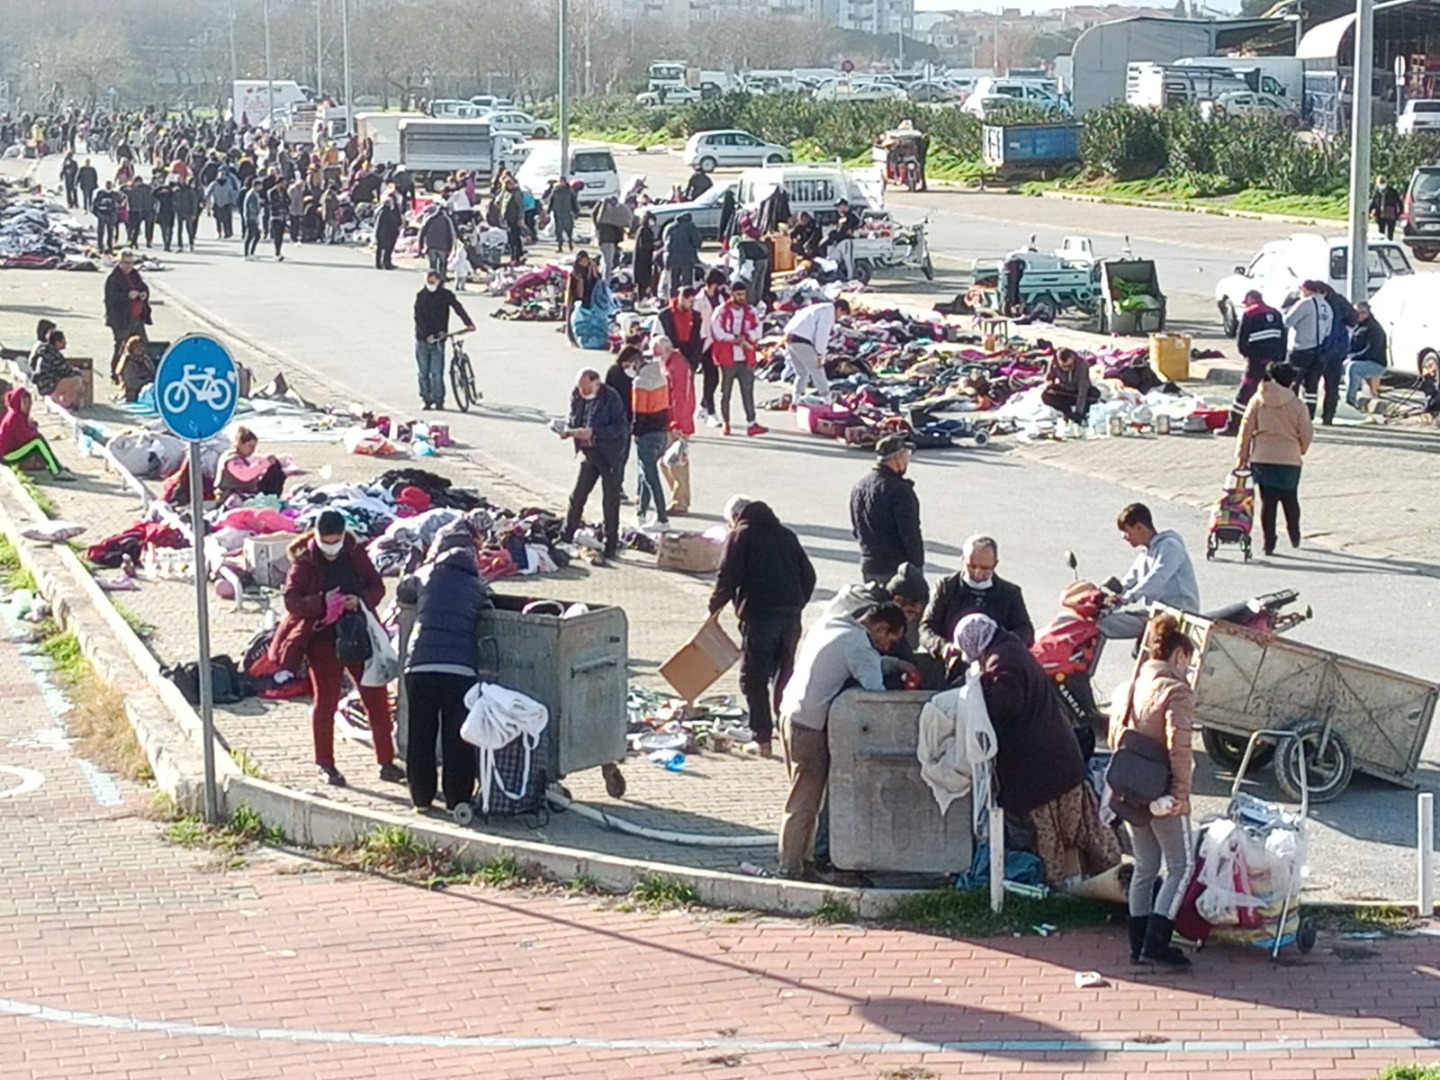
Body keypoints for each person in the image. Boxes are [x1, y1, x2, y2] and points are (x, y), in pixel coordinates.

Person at [957, 612, 1120, 890]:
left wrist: (980, 688)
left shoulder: (1001, 661)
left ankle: (1065, 890)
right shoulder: (1011, 648)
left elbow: (1006, 705)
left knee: (1052, 837)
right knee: (1088, 830)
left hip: (1038, 772)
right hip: (1059, 761)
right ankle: (1116, 881)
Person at [270, 510, 404, 788]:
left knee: (376, 698)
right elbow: (292, 601)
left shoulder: (355, 553)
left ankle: (386, 762)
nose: (331, 547)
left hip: (359, 634)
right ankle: (326, 764)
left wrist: (360, 599)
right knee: (326, 701)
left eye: (336, 541)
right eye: (326, 541)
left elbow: (376, 586)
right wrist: (322, 602)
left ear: (344, 536)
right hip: (322, 641)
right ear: (316, 536)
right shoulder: (305, 561)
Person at [777, 603, 911, 877]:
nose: (887, 647)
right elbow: (875, 693)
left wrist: (895, 663)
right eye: (889, 639)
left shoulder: (834, 623)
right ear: (880, 627)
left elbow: (859, 661)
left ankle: (803, 860)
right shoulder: (859, 646)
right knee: (805, 799)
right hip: (810, 727)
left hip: (789, 712)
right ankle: (791, 868)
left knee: (804, 794)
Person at [1111, 612, 1197, 968]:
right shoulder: (1177, 691)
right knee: (1182, 865)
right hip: (1162, 790)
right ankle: (1158, 943)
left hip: (1132, 787)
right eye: (1188, 664)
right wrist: (1181, 795)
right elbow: (1180, 746)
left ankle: (1137, 943)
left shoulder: (1134, 682)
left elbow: (1117, 732)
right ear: (1178, 656)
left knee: (1146, 867)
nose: (1188, 671)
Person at [710, 495, 818, 759]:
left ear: (735, 517)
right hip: (790, 616)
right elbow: (810, 575)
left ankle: (762, 739)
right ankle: (786, 731)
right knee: (785, 674)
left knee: (753, 678)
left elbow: (727, 576)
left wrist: (713, 607)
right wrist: (796, 603)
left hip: (760, 616)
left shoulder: (741, 535)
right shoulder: (786, 535)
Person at [396, 520, 491, 812]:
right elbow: (488, 608)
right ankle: (458, 800)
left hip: (420, 664)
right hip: (460, 669)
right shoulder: (477, 585)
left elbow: (403, 592)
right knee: (457, 736)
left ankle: (421, 799)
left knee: (421, 734)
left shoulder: (426, 574)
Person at [921, 535, 1034, 672]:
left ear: (995, 564)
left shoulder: (1010, 593)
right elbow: (926, 629)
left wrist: (1001, 648)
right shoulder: (946, 588)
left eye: (985, 568)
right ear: (962, 560)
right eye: (971, 566)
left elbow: (1026, 631)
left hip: (995, 670)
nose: (978, 573)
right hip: (951, 668)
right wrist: (943, 647)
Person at [1236, 361, 1313, 556]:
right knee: (1290, 499)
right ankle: (1294, 533)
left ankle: (1268, 541)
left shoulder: (1258, 399)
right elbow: (1306, 432)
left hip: (1262, 458)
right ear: (1290, 383)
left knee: (1267, 502)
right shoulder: (1297, 404)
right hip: (1289, 459)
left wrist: (1242, 455)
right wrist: (1300, 450)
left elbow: (1246, 429)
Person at [1100, 503, 1201, 639]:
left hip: (1178, 614)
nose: (1125, 537)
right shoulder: (1145, 555)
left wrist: (1127, 598)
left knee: (1109, 625)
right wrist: (1108, 599)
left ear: (1139, 527)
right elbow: (1128, 583)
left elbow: (1157, 577)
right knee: (1103, 621)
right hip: (1157, 612)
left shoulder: (1170, 546)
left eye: (1127, 531)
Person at [560, 368, 629, 560]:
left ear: (596, 383)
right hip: (589, 452)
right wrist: (569, 431)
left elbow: (620, 428)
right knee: (578, 495)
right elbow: (574, 416)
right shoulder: (577, 394)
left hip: (610, 453)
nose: (581, 391)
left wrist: (594, 432)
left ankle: (611, 543)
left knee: (610, 500)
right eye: (579, 388)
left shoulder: (611, 398)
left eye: (585, 387)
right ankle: (566, 535)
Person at [849, 434, 923, 581]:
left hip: (869, 565)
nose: (908, 459)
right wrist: (917, 566)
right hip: (896, 570)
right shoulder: (900, 490)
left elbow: (856, 529)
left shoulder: (859, 486)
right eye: (906, 454)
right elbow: (910, 533)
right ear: (898, 457)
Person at [1224, 289, 1285, 435]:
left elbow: (1242, 339)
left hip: (1256, 360)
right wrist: (1280, 358)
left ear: (1251, 299)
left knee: (1245, 392)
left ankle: (1234, 425)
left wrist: (1247, 355)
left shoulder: (1250, 313)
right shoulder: (1275, 313)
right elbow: (1283, 337)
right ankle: (1274, 426)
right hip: (1273, 361)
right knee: (1272, 393)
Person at [413, 269, 475, 411]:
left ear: (439, 281)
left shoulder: (445, 296)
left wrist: (468, 323)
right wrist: (426, 335)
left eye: (434, 281)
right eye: (429, 281)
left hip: (439, 338)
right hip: (423, 339)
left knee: (437, 372)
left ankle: (439, 400)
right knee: (423, 372)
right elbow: (418, 318)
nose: (431, 284)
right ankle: (426, 399)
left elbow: (458, 308)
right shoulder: (421, 296)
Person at [710, 279, 765, 437]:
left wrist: (746, 337)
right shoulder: (721, 311)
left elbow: (758, 330)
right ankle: (726, 423)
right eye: (738, 294)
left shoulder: (751, 311)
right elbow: (717, 331)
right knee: (725, 392)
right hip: (727, 358)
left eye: (743, 295)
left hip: (746, 358)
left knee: (748, 391)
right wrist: (735, 339)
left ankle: (751, 423)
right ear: (732, 294)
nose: (741, 297)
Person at [631, 342, 671, 530]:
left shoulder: (641, 382)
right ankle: (641, 513)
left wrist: (636, 433)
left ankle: (662, 517)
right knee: (645, 473)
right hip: (661, 431)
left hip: (646, 434)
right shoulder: (662, 379)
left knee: (649, 475)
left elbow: (639, 413)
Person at [657, 334, 695, 515]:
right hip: (671, 419)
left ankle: (680, 501)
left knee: (675, 462)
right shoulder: (671, 363)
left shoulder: (677, 366)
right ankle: (679, 497)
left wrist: (677, 423)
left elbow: (681, 397)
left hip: (677, 422)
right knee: (667, 462)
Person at [783, 298, 848, 404]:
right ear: (839, 309)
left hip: (790, 337)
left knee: (802, 373)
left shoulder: (818, 307)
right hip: (802, 340)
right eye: (841, 314)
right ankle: (827, 400)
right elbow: (821, 334)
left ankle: (796, 401)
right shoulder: (828, 313)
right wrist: (820, 354)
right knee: (817, 370)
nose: (839, 318)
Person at [1283, 280, 1331, 419]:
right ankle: (1309, 415)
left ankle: (1290, 415)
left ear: (1306, 290)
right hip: (1318, 350)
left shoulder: (1305, 303)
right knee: (1312, 386)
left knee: (1293, 383)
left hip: (1300, 349)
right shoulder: (1327, 306)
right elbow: (1327, 331)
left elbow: (1287, 321)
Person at [0, 388, 70, 478]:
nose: (28, 406)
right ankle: (56, 471)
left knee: (38, 440)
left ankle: (56, 465)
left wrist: (31, 427)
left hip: (12, 451)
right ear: (17, 402)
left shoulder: (19, 415)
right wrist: (33, 429)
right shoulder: (15, 417)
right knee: (38, 442)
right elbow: (24, 438)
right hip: (7, 455)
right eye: (24, 403)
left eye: (29, 403)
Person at [103, 250, 151, 382]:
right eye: (126, 263)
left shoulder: (135, 275)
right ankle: (115, 374)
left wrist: (143, 294)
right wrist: (127, 296)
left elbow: (143, 287)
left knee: (143, 345)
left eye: (131, 263)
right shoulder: (113, 279)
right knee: (121, 346)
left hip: (137, 317)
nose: (129, 266)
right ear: (119, 262)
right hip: (121, 319)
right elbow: (111, 300)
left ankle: (142, 372)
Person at [1314, 282, 1356, 426]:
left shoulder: (1315, 302)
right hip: (1338, 349)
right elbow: (1353, 320)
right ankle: (1328, 417)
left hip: (1320, 348)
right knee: (1332, 386)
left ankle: (1308, 416)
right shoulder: (1340, 301)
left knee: (1311, 384)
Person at [692, 271, 727, 425]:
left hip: (715, 341)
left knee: (714, 378)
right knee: (710, 375)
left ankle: (703, 406)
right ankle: (710, 412)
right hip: (703, 341)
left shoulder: (719, 298)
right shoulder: (699, 300)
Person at [215, 426, 287, 499]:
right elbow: (245, 475)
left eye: (254, 447)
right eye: (250, 446)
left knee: (275, 472)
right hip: (231, 495)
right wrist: (265, 462)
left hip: (243, 493)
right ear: (240, 444)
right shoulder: (232, 460)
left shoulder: (241, 458)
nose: (253, 449)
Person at [1344, 301, 1388, 411]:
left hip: (1376, 363)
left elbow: (1370, 351)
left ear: (1366, 313)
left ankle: (1350, 401)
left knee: (1353, 368)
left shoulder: (1374, 329)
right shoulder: (1357, 327)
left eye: (1360, 313)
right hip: (1360, 359)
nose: (1356, 316)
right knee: (1336, 366)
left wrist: (1352, 358)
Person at [30, 328, 85, 410]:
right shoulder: (54, 355)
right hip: (48, 386)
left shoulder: (44, 351)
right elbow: (67, 371)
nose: (65, 343)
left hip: (42, 385)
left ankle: (57, 398)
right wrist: (79, 372)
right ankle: (66, 403)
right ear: (57, 342)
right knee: (77, 380)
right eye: (63, 340)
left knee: (68, 379)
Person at [1042, 347, 1099, 425]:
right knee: (1046, 395)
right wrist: (1050, 385)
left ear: (1072, 358)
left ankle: (1082, 412)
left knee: (1094, 395)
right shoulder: (1054, 362)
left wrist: (1078, 413)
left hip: (1078, 391)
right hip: (1064, 390)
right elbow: (1049, 378)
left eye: (1069, 366)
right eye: (1063, 367)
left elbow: (1083, 390)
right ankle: (1066, 410)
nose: (1066, 369)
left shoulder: (1082, 365)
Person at [661, 212, 701, 297]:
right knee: (686, 283)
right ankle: (686, 299)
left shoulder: (669, 227)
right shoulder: (690, 227)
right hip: (687, 258)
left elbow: (664, 240)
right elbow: (697, 242)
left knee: (673, 282)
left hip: (671, 258)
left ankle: (673, 300)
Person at [418, 204, 457, 279]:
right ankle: (442, 278)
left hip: (431, 246)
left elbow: (422, 233)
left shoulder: (430, 219)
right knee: (443, 264)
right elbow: (451, 235)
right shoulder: (447, 220)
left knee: (433, 265)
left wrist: (421, 247)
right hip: (443, 246)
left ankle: (432, 279)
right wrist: (450, 248)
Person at [825, 198, 861, 280]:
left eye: (839, 206)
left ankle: (851, 278)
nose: (838, 209)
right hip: (839, 241)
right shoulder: (842, 217)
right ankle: (844, 277)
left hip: (847, 241)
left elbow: (856, 225)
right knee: (837, 260)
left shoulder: (851, 216)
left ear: (844, 206)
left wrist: (852, 230)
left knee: (848, 262)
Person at [115, 334, 156, 404]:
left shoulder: (146, 359)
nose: (139, 349)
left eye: (141, 346)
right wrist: (148, 382)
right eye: (136, 347)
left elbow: (153, 372)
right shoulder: (128, 362)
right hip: (132, 392)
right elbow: (132, 383)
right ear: (131, 348)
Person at [547, 175, 579, 252]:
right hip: (557, 213)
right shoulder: (555, 191)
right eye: (560, 181)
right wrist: (548, 210)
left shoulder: (569, 191)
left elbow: (574, 202)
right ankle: (560, 246)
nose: (561, 183)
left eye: (563, 181)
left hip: (567, 213)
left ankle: (570, 243)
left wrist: (576, 212)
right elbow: (551, 201)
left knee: (569, 230)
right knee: (559, 231)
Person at [499, 175, 525, 265]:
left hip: (514, 219)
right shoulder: (505, 192)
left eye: (510, 184)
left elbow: (521, 207)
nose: (509, 186)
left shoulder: (516, 193)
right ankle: (514, 256)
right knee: (510, 239)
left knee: (515, 239)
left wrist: (520, 218)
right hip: (507, 219)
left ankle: (516, 257)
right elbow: (498, 202)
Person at [374, 187, 402, 270]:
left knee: (383, 248)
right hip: (386, 232)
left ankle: (382, 263)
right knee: (386, 248)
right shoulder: (384, 211)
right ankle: (384, 263)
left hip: (385, 231)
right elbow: (382, 222)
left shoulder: (385, 210)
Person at [1370, 175, 1403, 241]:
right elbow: (1373, 202)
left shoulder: (1392, 191)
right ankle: (1381, 246)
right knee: (1381, 233)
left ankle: (1389, 247)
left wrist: (1399, 213)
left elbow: (1399, 202)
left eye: (1383, 182)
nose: (1382, 184)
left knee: (1390, 233)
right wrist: (1370, 211)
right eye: (1380, 183)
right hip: (1380, 215)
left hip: (1391, 215)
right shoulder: (1377, 192)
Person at [125, 174, 154, 249]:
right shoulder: (148, 188)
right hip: (146, 209)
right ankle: (146, 241)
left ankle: (134, 241)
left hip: (138, 209)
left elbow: (122, 190)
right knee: (146, 227)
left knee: (136, 227)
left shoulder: (132, 189)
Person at [91, 180, 120, 254]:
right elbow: (95, 204)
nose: (108, 186)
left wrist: (115, 213)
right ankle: (100, 247)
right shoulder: (100, 193)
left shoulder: (115, 194)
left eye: (110, 184)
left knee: (110, 232)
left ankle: (110, 247)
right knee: (100, 232)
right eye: (107, 184)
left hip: (111, 215)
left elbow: (120, 204)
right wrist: (97, 213)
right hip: (102, 215)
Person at [633, 212, 657, 299]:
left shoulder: (645, 230)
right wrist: (654, 245)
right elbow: (644, 245)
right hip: (642, 259)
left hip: (644, 258)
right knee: (642, 280)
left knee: (644, 280)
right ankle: (641, 297)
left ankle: (642, 297)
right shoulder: (643, 230)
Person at [240, 178, 263, 259]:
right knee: (250, 236)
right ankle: (246, 254)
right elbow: (251, 207)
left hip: (253, 217)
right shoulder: (251, 194)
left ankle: (251, 252)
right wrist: (256, 215)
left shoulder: (255, 194)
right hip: (250, 217)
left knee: (256, 235)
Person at [153, 176, 177, 252]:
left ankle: (168, 245)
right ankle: (166, 244)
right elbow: (153, 193)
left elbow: (175, 193)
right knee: (164, 230)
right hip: (162, 214)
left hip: (171, 214)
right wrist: (160, 188)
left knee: (170, 230)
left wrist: (169, 189)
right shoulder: (161, 195)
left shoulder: (171, 195)